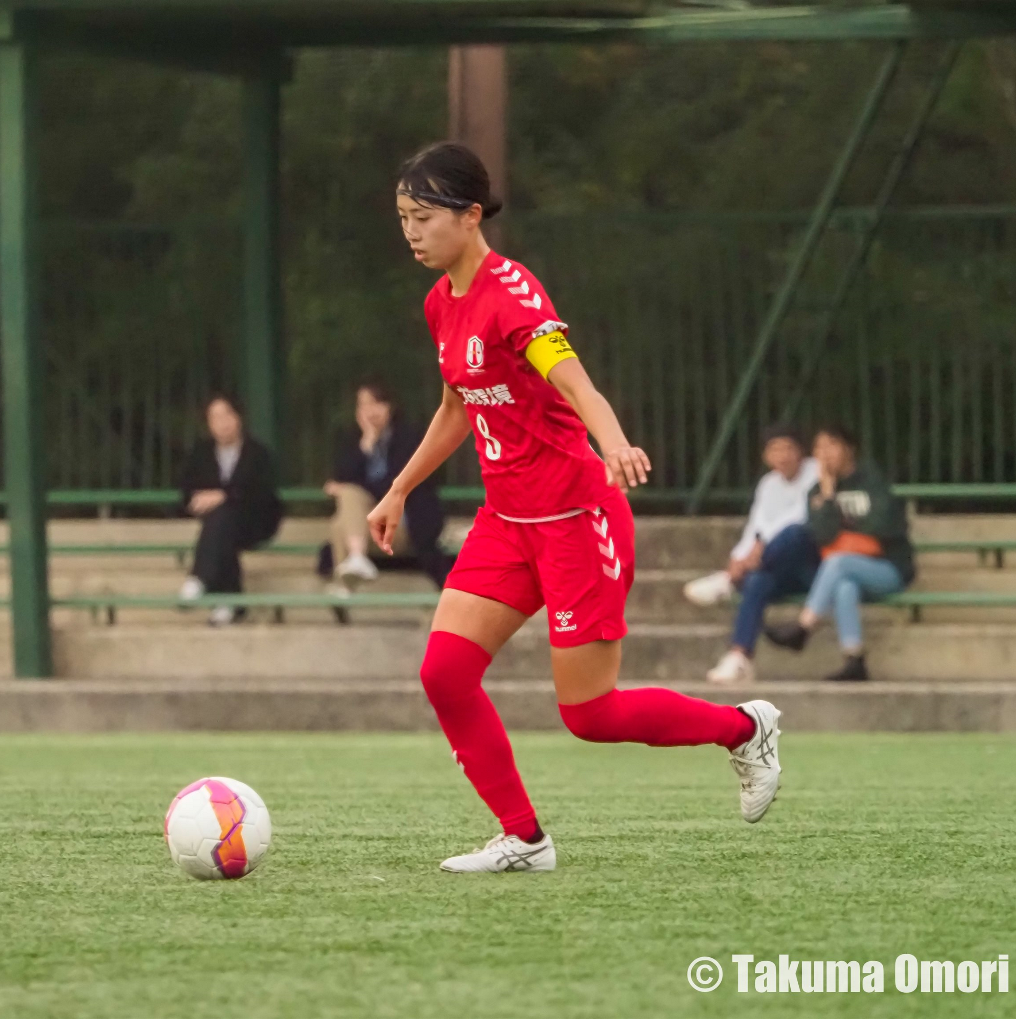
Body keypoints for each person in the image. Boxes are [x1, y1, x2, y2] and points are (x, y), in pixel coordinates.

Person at [367, 141, 782, 874]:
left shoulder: (514, 294)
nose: (411, 231)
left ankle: (742, 727)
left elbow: (574, 381)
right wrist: (399, 486)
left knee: (589, 714)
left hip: (576, 520)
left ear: (470, 215)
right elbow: (457, 407)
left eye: (424, 216)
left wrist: (615, 442)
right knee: (444, 674)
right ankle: (523, 837)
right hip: (506, 522)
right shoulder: (440, 303)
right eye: (403, 217)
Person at [763, 424, 915, 681]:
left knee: (837, 563)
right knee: (844, 585)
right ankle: (854, 659)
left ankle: (803, 627)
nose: (825, 453)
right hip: (847, 568)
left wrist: (849, 530)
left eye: (831, 445)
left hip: (888, 568)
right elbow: (822, 534)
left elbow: (885, 526)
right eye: (819, 448)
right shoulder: (817, 492)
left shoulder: (873, 482)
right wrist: (829, 495)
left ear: (849, 449)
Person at [697, 425, 821, 685]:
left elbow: (801, 516)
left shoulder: (816, 473)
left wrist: (760, 549)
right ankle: (739, 657)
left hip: (813, 568)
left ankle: (730, 583)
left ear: (801, 452)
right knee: (757, 581)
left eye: (788, 448)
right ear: (766, 456)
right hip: (777, 568)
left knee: (796, 532)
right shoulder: (768, 484)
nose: (782, 456)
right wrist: (738, 558)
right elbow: (757, 524)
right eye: (775, 450)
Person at [325, 381, 452, 590]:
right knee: (343, 512)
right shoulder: (353, 440)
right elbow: (343, 475)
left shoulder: (409, 439)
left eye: (376, 404)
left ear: (389, 407)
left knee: (345, 506)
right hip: (366, 527)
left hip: (400, 526)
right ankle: (356, 560)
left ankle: (345, 587)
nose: (370, 412)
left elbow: (394, 486)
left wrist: (347, 486)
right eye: (363, 405)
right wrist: (366, 445)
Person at [177, 395, 282, 627]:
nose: (222, 422)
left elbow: (262, 494)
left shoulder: (257, 453)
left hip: (254, 521)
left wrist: (225, 495)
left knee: (223, 515)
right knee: (221, 522)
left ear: (238, 418)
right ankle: (230, 604)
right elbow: (186, 491)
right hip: (219, 526)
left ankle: (200, 577)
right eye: (215, 417)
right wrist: (200, 500)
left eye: (227, 415)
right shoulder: (201, 453)